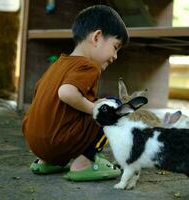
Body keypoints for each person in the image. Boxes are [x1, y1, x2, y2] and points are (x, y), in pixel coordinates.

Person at [22, 5, 129, 181]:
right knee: (112, 107)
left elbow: (42, 95)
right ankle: (83, 164)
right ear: (97, 37)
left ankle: (46, 162)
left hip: (35, 143)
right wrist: (96, 108)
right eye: (115, 47)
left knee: (89, 106)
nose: (115, 56)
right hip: (58, 142)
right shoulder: (88, 66)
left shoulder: (58, 65)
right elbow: (66, 92)